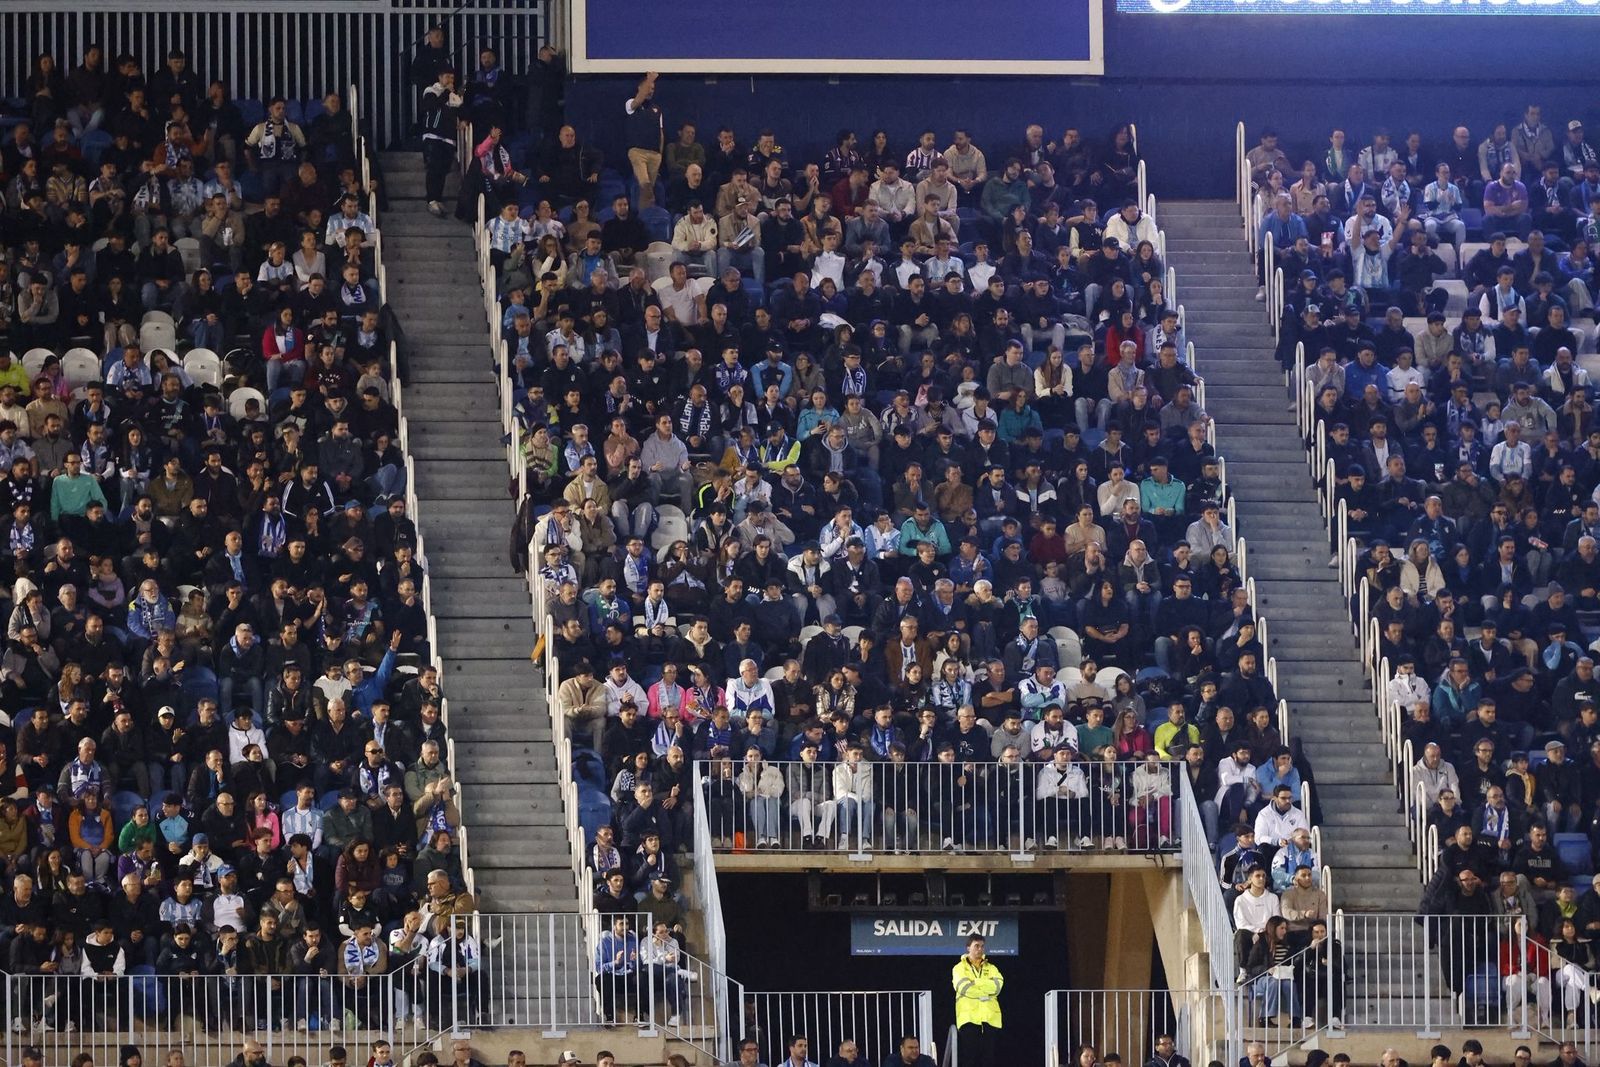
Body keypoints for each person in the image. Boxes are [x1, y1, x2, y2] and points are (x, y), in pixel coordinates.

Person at [951, 933, 1002, 1067]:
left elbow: (996, 987)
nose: (980, 949)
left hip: (990, 1019)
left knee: (989, 1059)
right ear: (968, 948)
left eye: (982, 946)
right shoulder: (959, 968)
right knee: (969, 1059)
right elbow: (963, 987)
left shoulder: (992, 968)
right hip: (969, 1019)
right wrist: (985, 988)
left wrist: (976, 982)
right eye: (976, 946)